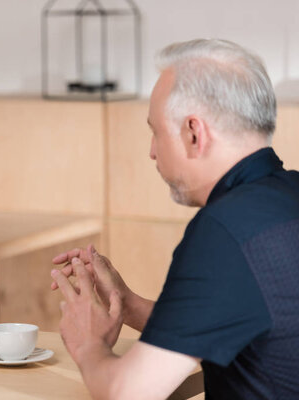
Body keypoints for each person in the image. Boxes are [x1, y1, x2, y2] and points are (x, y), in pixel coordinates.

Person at [51, 38, 299, 399]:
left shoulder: (225, 230)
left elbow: (127, 392)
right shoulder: (287, 196)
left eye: (156, 131)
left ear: (194, 133)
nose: (151, 152)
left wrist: (87, 343)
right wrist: (126, 302)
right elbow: (238, 324)